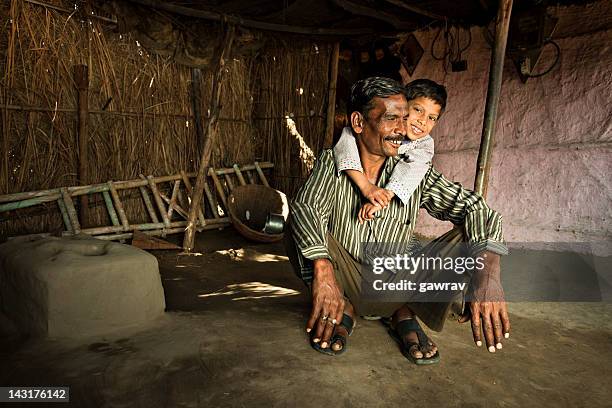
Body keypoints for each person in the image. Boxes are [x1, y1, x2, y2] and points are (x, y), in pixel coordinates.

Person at [286, 76, 510, 364]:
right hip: (344, 276)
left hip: (397, 282)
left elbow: (477, 209)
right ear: (358, 123)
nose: (402, 128)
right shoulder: (333, 162)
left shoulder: (415, 170)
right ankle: (343, 304)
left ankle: (403, 310)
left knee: (473, 235)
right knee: (297, 220)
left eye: (405, 118)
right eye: (391, 118)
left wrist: (487, 276)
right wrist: (323, 269)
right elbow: (307, 207)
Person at [334, 79, 443, 223]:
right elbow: (344, 151)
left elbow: (410, 171)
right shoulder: (352, 137)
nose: (423, 121)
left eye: (432, 118)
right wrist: (366, 187)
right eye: (417, 110)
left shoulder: (424, 145)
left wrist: (382, 199)